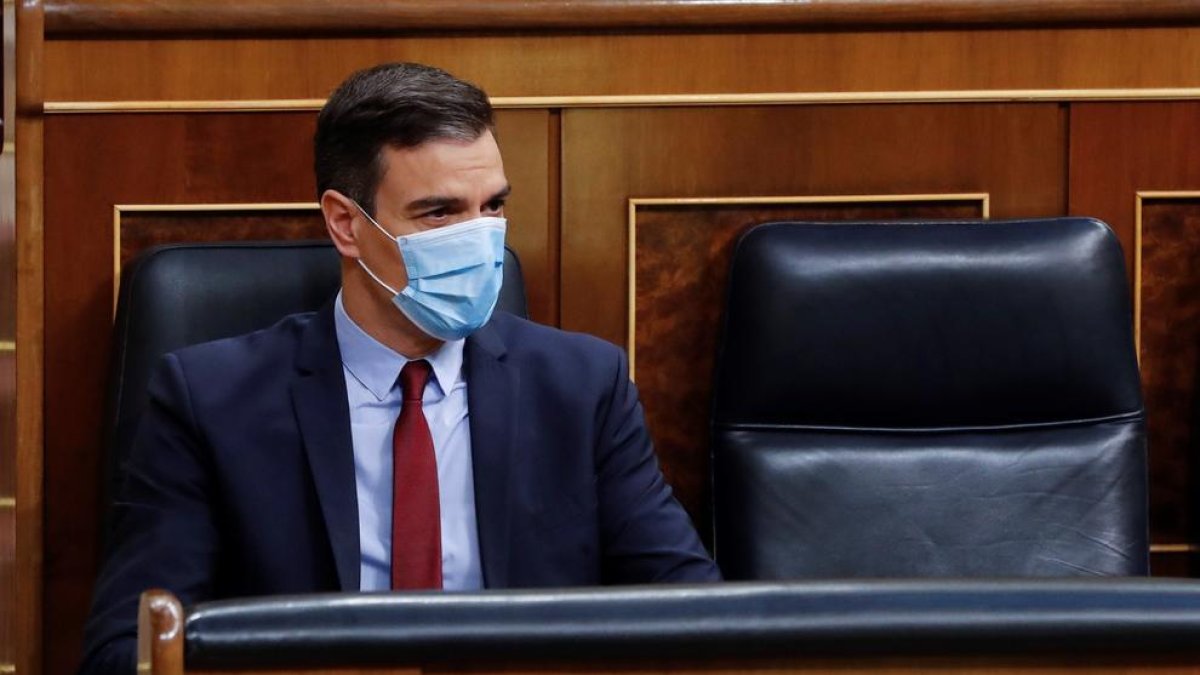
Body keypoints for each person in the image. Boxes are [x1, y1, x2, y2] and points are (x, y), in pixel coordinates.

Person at [78, 62, 720, 675]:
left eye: (492, 206)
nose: (480, 237)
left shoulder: (582, 387)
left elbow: (698, 619)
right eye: (439, 213)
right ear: (345, 224)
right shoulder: (210, 401)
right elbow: (126, 653)